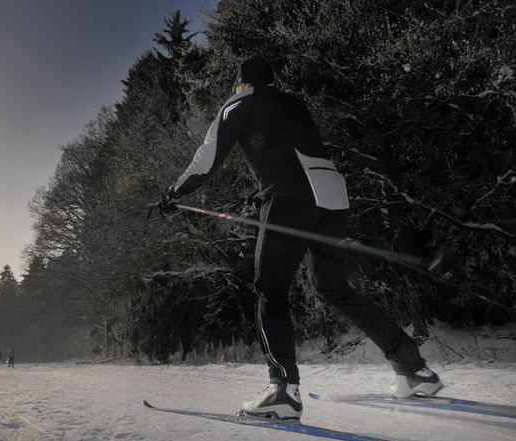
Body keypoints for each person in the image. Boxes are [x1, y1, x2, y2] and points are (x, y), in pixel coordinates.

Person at [160, 56, 442, 421]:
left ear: (242, 83)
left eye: (235, 85)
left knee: (270, 289)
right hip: (333, 196)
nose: (234, 91)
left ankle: (283, 390)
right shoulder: (293, 102)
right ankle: (415, 370)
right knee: (334, 289)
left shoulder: (240, 101)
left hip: (291, 197)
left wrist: (173, 193)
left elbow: (207, 156)